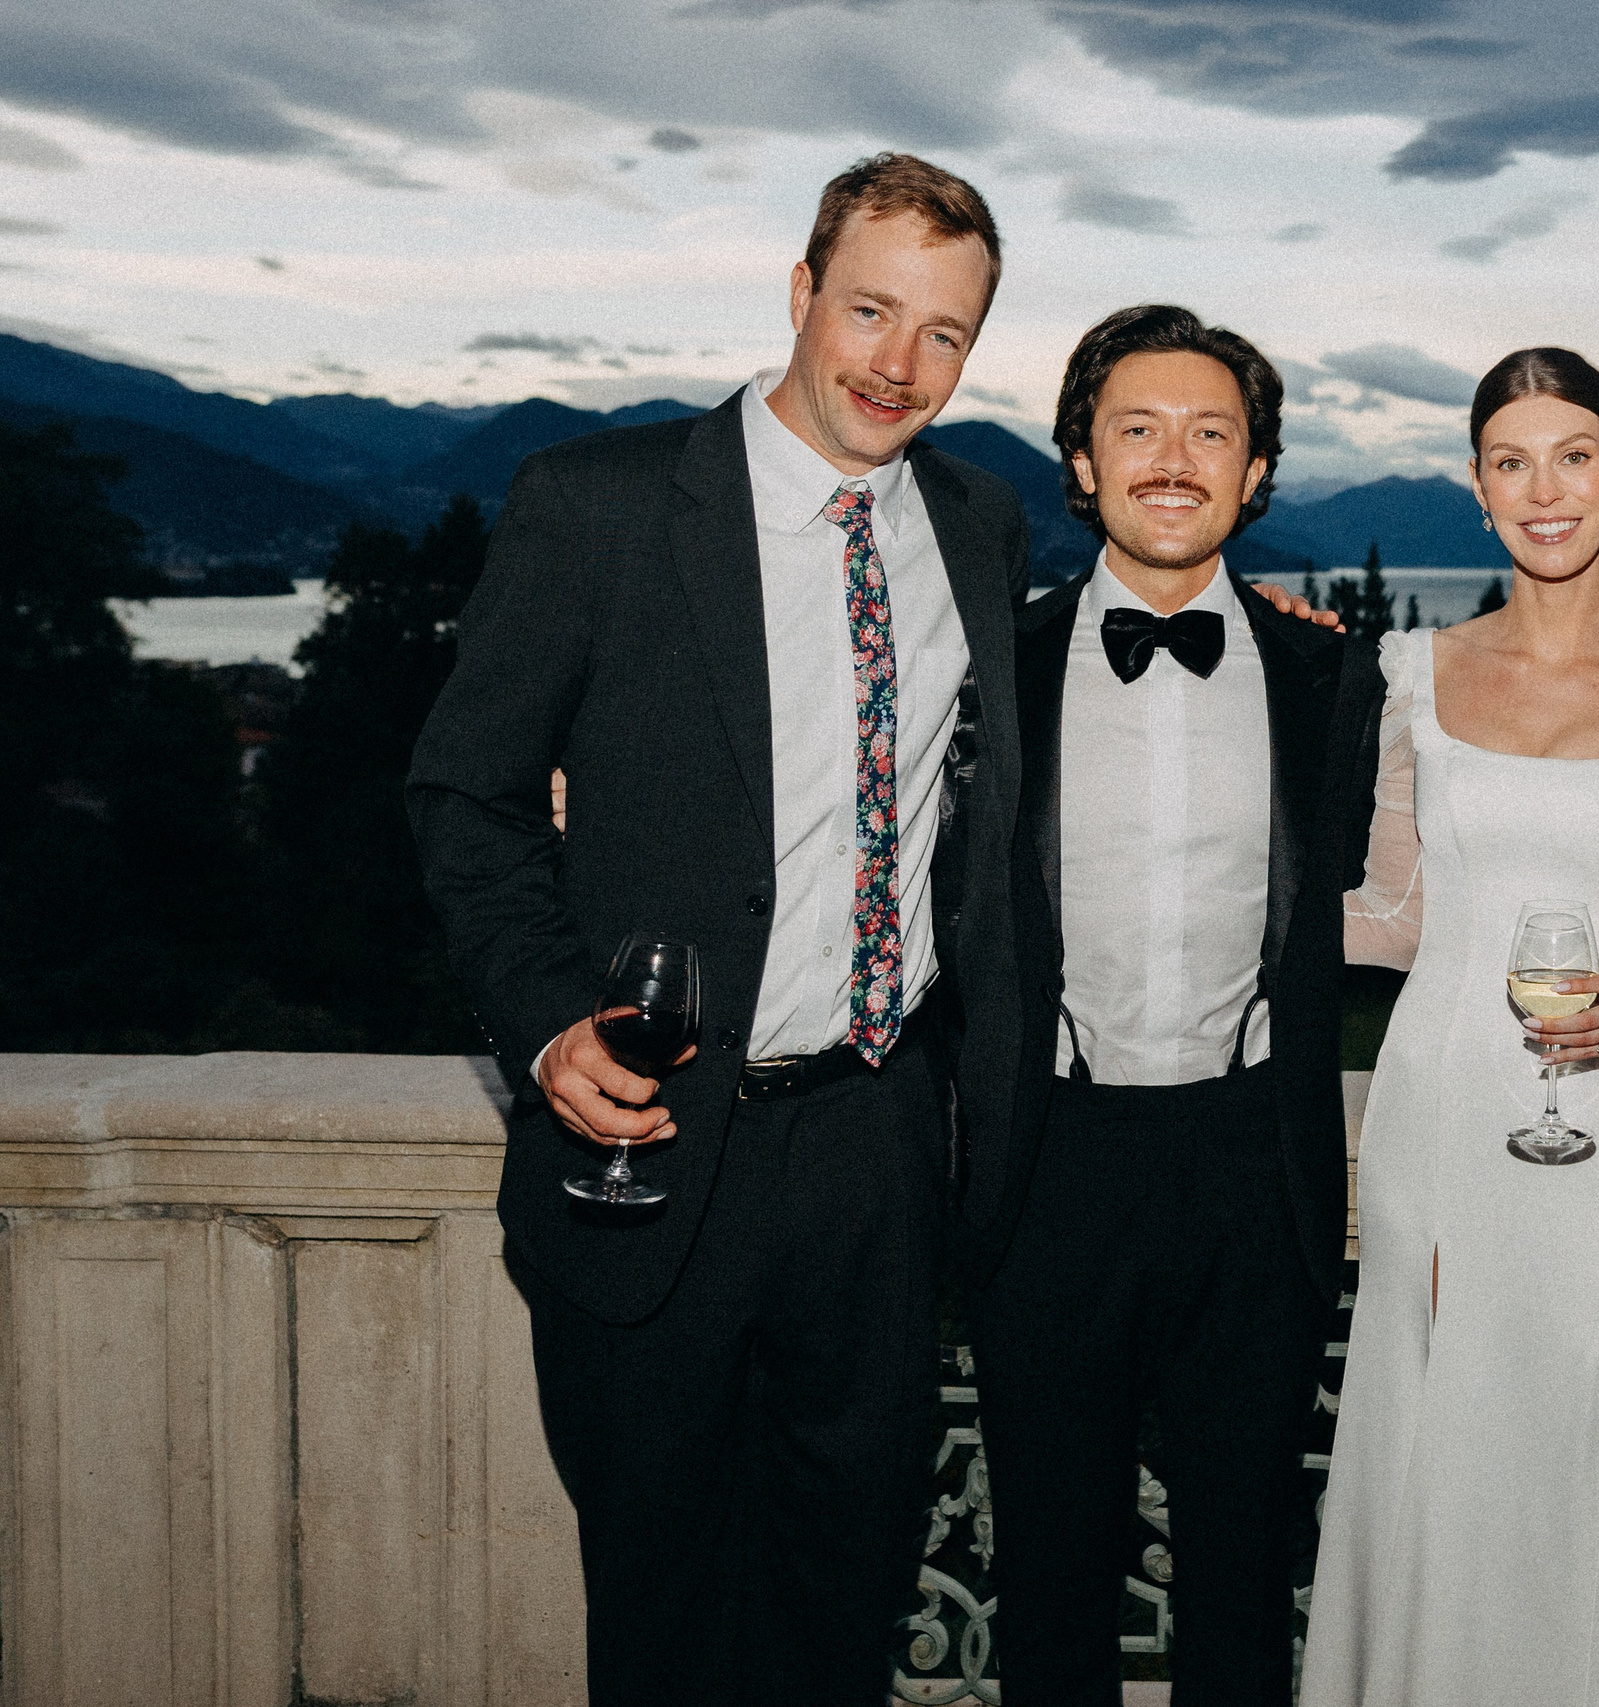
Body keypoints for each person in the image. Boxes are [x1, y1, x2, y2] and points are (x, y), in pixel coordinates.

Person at [407, 154, 1029, 1706]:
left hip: (882, 1151)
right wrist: (549, 1017)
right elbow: (464, 792)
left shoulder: (978, 524)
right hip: (655, 1140)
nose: (899, 364)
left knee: (845, 1606)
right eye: (872, 309)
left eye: (944, 333)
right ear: (802, 292)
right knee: (669, 1619)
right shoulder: (602, 508)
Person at [1303, 347, 1599, 1707]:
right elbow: (1391, 917)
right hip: (1441, 1116)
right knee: (1447, 1447)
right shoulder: (1405, 676)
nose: (1544, 488)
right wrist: (1225, 914)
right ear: (1479, 486)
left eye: (1574, 456)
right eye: (1512, 460)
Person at [968, 305, 1386, 1706]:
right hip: (1048, 1168)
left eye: (1212, 433)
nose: (1172, 458)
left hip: (1251, 1168)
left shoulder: (1334, 676)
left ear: (1257, 472)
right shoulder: (989, 675)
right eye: (1135, 428)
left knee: (1240, 1580)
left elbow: (1410, 890)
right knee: (1052, 1582)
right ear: (1078, 462)